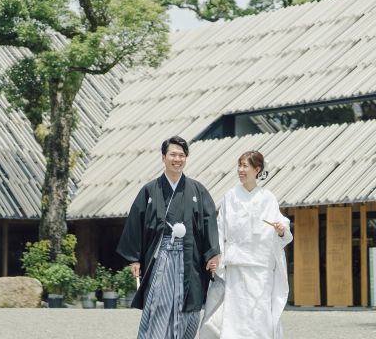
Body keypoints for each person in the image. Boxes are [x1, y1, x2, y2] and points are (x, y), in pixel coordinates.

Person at [117, 135, 220, 339]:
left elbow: (209, 221)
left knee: (188, 305)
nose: (177, 159)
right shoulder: (149, 190)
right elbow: (135, 223)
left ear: (186, 158)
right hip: (162, 255)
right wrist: (135, 258)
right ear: (163, 157)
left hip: (189, 258)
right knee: (158, 302)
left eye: (181, 155)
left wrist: (212, 253)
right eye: (173, 154)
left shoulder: (197, 190)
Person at [202, 150, 292, 339]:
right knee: (236, 316)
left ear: (257, 169)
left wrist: (280, 229)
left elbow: (282, 227)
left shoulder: (268, 198)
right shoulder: (230, 196)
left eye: (245, 166)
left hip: (260, 267)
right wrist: (216, 256)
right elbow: (220, 229)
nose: (240, 170)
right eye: (239, 165)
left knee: (260, 315)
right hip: (237, 266)